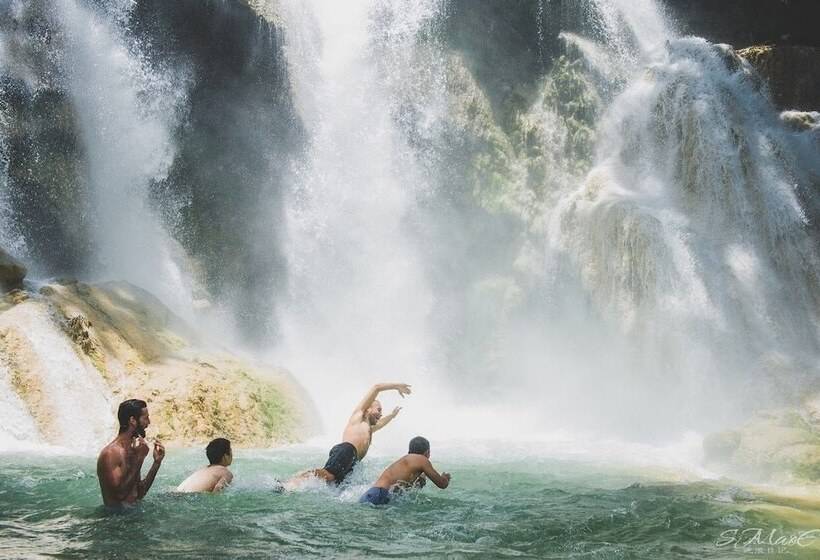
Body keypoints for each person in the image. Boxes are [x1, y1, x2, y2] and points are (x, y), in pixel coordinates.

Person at [291, 382, 411, 487]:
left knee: (333, 485)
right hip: (347, 450)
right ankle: (292, 482)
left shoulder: (369, 428)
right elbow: (376, 387)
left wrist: (392, 416)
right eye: (379, 410)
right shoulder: (358, 417)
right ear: (368, 409)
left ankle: (299, 483)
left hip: (353, 460)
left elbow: (381, 423)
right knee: (329, 475)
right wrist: (396, 386)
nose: (381, 414)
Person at [97, 399, 165, 507]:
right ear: (133, 420)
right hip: (115, 521)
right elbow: (120, 496)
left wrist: (156, 463)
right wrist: (139, 458)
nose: (149, 422)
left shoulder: (133, 449)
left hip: (133, 516)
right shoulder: (110, 454)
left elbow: (139, 494)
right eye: (145, 418)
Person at [359, 436, 450, 505]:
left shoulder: (405, 461)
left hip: (372, 494)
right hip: (380, 495)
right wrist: (445, 478)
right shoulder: (422, 459)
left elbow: (406, 488)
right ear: (427, 453)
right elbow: (442, 484)